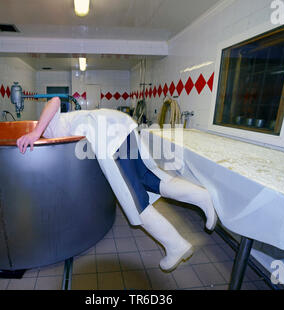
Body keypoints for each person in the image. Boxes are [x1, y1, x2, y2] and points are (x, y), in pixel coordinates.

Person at [17, 97, 218, 272]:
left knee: (133, 201)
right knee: (149, 179)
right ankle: (201, 196)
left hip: (109, 135)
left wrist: (35, 133)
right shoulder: (62, 126)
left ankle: (175, 245)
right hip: (121, 125)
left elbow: (54, 101)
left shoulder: (45, 127)